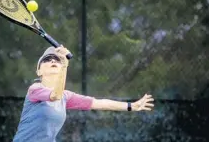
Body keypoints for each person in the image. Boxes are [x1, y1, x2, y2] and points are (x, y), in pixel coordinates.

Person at [13, 46, 154, 142]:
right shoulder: (35, 89)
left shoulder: (66, 96)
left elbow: (99, 103)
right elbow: (55, 95)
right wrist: (65, 66)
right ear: (39, 71)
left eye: (56, 59)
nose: (52, 61)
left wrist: (132, 106)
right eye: (47, 59)